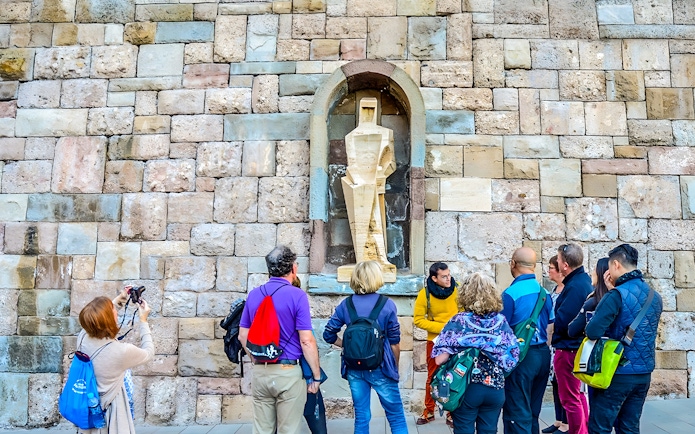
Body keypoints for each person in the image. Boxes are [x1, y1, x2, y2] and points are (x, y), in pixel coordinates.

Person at [238, 245, 322, 434]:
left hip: (261, 371)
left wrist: (255, 359)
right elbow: (307, 340)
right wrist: (316, 376)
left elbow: (243, 335)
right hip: (288, 372)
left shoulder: (254, 295)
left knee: (261, 430)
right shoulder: (297, 295)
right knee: (288, 430)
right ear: (293, 268)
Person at [323, 260, 408, 434]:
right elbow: (394, 342)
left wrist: (345, 345)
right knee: (396, 416)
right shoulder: (387, 305)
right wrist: (395, 367)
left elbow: (328, 334)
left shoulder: (346, 305)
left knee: (362, 416)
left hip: (354, 368)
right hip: (381, 367)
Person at [585, 244, 662, 434]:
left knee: (599, 427)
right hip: (643, 373)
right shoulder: (655, 296)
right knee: (629, 427)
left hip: (617, 372)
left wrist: (610, 294)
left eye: (610, 267)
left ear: (617, 264)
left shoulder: (615, 295)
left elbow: (593, 331)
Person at [432, 272, 520, 434]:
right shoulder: (501, 322)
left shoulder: (459, 321)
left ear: (465, 294)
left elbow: (439, 359)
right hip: (495, 388)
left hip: (466, 387)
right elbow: (513, 358)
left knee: (463, 429)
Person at [76, 287, 154, 434]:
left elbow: (96, 318)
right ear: (109, 319)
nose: (117, 312)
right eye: (114, 311)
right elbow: (148, 353)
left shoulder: (83, 338)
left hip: (89, 405)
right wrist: (143, 321)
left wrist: (121, 299)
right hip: (113, 410)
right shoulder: (121, 351)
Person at [500, 247, 554, 434]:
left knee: (517, 412)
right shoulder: (544, 293)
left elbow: (503, 331)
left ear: (513, 264)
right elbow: (550, 328)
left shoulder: (510, 294)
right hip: (543, 356)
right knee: (533, 411)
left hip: (521, 357)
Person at [413, 262, 459, 427]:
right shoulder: (424, 294)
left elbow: (464, 313)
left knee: (456, 376)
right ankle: (429, 410)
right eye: (444, 276)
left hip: (455, 341)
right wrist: (443, 328)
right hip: (435, 342)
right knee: (432, 376)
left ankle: (451, 413)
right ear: (434, 278)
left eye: (449, 275)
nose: (448, 279)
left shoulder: (457, 290)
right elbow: (418, 320)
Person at [553, 244, 592, 434]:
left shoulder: (575, 286)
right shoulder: (581, 281)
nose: (557, 262)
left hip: (568, 349)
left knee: (569, 399)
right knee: (577, 395)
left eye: (558, 260)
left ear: (565, 265)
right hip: (574, 347)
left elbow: (564, 321)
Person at [292, 275, 328, 434]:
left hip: (273, 371)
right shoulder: (298, 306)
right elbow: (307, 342)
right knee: (316, 417)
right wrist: (316, 376)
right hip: (301, 374)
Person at [544, 256, 568, 434]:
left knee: (564, 382)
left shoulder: (567, 289)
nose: (548, 270)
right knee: (555, 381)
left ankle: (567, 422)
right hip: (551, 342)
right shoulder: (554, 289)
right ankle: (559, 420)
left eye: (551, 267)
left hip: (560, 341)